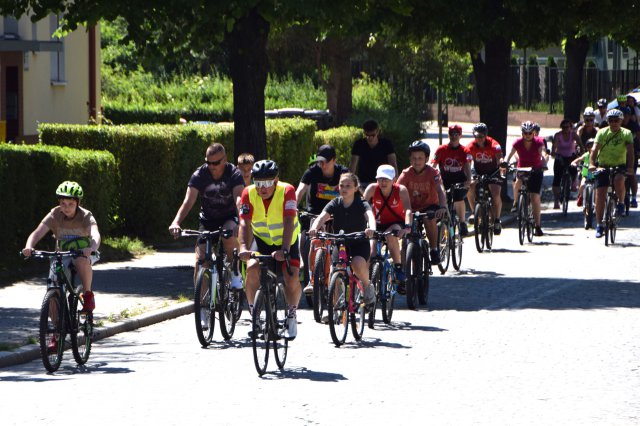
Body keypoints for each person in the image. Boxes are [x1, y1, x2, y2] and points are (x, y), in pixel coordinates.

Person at [238, 160, 301, 339]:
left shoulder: (287, 190)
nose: (262, 188)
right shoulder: (248, 193)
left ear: (276, 181)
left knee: (291, 276)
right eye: (258, 183)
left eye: (267, 183)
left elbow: (289, 221)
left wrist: (285, 249)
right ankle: (254, 316)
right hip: (262, 239)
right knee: (251, 268)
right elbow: (244, 222)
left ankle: (291, 314)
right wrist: (243, 247)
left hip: (287, 239)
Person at [169, 143, 244, 289]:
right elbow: (188, 201)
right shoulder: (200, 174)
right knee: (200, 261)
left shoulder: (234, 173)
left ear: (225, 159)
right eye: (208, 162)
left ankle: (235, 271)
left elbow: (238, 200)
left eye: (216, 163)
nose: (212, 166)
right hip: (208, 219)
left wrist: (241, 223)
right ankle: (202, 307)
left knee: (228, 235)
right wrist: (176, 222)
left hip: (228, 216)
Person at [22, 181, 101, 315]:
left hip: (83, 252)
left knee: (82, 261)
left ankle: (88, 295)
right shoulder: (54, 214)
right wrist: (29, 246)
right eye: (63, 203)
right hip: (62, 254)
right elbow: (37, 232)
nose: (66, 207)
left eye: (71, 204)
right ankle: (57, 331)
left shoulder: (85, 215)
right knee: (53, 287)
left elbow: (95, 234)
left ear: (78, 203)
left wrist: (92, 247)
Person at [308, 172, 376, 305]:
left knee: (357, 264)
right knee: (336, 271)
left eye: (348, 186)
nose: (344, 189)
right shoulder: (335, 203)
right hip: (340, 243)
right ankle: (336, 307)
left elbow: (370, 215)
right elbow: (322, 216)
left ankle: (368, 286)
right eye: (341, 185)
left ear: (356, 188)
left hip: (359, 243)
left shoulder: (361, 203)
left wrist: (371, 228)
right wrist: (315, 228)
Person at [296, 144, 349, 294]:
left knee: (342, 241)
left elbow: (353, 190)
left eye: (325, 161)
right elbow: (300, 191)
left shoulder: (343, 173)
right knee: (309, 239)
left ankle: (341, 274)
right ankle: (311, 278)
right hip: (316, 213)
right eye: (320, 161)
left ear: (334, 160)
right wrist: (292, 206)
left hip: (337, 212)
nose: (322, 165)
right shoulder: (312, 172)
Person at [397, 140, 447, 265]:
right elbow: (396, 191)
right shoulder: (405, 174)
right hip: (411, 208)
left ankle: (434, 249)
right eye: (414, 158)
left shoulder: (433, 172)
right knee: (405, 233)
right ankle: (403, 270)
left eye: (420, 158)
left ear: (426, 159)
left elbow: (440, 190)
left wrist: (443, 206)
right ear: (410, 160)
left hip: (429, 206)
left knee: (428, 219)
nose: (417, 161)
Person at [363, 165, 412, 286]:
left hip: (396, 223)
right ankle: (367, 282)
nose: (383, 182)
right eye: (380, 179)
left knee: (391, 235)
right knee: (371, 251)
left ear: (394, 179)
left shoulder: (401, 190)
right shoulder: (372, 189)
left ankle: (398, 267)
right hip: (377, 224)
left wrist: (407, 227)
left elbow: (408, 210)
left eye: (386, 179)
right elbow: (361, 207)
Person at [589, 109, 634, 238]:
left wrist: (630, 167)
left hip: (619, 165)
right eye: (611, 120)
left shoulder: (626, 133)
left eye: (616, 120)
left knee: (619, 179)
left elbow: (630, 151)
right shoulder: (602, 133)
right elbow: (594, 149)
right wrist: (592, 164)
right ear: (607, 121)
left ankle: (620, 202)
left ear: (621, 121)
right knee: (600, 194)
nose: (613, 123)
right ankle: (599, 224)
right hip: (603, 165)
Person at [504, 121, 546, 236]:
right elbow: (510, 154)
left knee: (534, 197)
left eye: (530, 133)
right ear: (522, 133)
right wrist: (505, 163)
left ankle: (537, 226)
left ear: (533, 133)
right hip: (522, 168)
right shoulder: (518, 142)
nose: (527, 135)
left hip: (536, 170)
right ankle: (516, 202)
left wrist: (544, 161)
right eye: (525, 133)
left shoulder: (538, 142)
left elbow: (542, 152)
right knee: (518, 181)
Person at [431, 124, 472, 236]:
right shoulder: (441, 150)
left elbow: (468, 166)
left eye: (456, 134)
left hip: (460, 181)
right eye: (451, 134)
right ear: (448, 135)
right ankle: (444, 229)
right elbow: (433, 166)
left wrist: (469, 179)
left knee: (458, 198)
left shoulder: (465, 150)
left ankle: (462, 222)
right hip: (444, 181)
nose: (454, 137)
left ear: (460, 135)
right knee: (442, 201)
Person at [465, 123, 504, 234]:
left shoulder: (493, 144)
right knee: (470, 186)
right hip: (478, 171)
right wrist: (467, 175)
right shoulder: (470, 146)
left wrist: (502, 163)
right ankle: (474, 212)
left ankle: (497, 219)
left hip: (493, 171)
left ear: (486, 135)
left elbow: (499, 157)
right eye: (476, 136)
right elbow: (467, 161)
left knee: (495, 193)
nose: (479, 139)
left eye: (481, 136)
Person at [350, 120, 398, 191]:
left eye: (373, 135)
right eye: (367, 135)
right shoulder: (359, 144)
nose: (370, 138)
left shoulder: (386, 144)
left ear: (377, 132)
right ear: (364, 133)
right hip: (363, 182)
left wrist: (395, 180)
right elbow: (353, 164)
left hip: (383, 181)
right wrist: (350, 181)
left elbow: (393, 163)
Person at [551, 119, 583, 208]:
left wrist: (582, 153)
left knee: (573, 169)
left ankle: (573, 181)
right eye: (563, 127)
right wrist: (553, 152)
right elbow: (554, 146)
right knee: (557, 178)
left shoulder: (573, 135)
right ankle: (556, 201)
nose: (565, 129)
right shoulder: (558, 135)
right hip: (560, 156)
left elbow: (580, 144)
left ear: (571, 127)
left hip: (570, 156)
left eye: (567, 127)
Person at [620, 107, 640, 208]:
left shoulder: (633, 125)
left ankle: (633, 197)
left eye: (626, 115)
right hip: (619, 154)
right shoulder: (617, 124)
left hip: (632, 152)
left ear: (629, 115)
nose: (624, 118)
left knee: (631, 174)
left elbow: (639, 137)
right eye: (622, 115)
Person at [571, 138, 595, 207]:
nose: (591, 148)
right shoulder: (586, 155)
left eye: (593, 146)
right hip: (586, 175)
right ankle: (581, 196)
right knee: (582, 185)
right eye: (589, 146)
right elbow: (579, 159)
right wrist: (574, 163)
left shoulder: (599, 155)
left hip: (596, 176)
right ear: (587, 148)